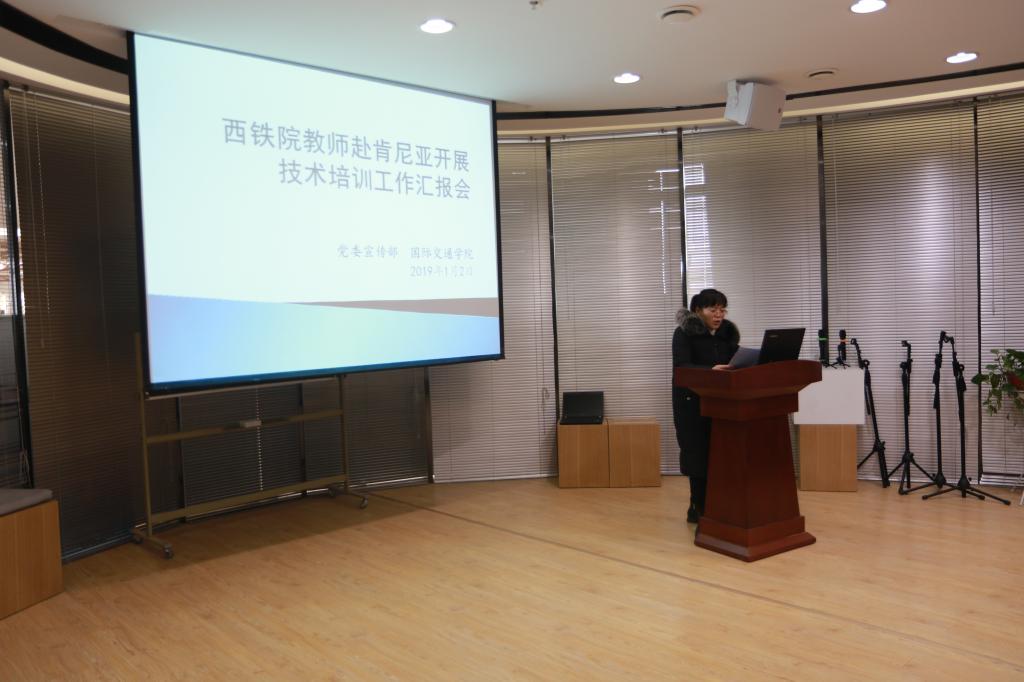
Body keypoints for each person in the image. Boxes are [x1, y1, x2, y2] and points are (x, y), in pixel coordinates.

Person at [672, 288, 740, 524]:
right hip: (691, 405)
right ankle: (697, 507)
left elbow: (735, 362)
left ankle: (719, 505)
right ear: (698, 310)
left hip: (721, 404)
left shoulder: (727, 333)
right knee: (697, 456)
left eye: (722, 310)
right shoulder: (683, 333)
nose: (719, 314)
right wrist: (710, 371)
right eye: (713, 309)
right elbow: (682, 368)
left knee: (720, 455)